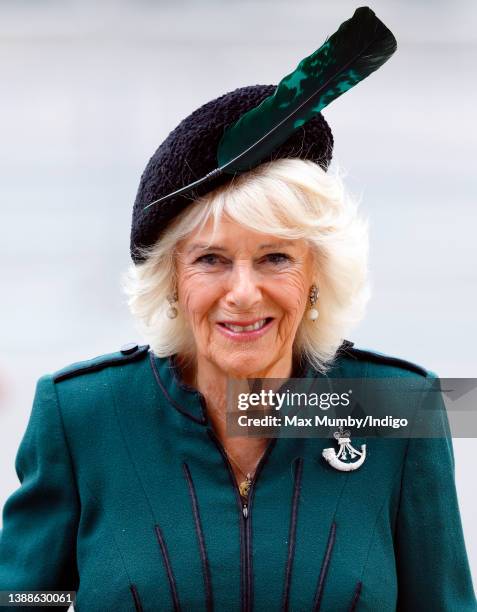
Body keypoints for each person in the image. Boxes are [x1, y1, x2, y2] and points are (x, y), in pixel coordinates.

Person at [0, 7, 476, 612]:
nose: (244, 292)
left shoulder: (400, 410)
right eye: (212, 260)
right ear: (172, 280)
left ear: (315, 276)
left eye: (275, 257)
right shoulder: (81, 414)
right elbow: (24, 599)